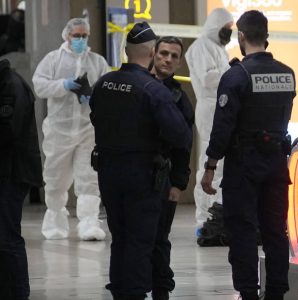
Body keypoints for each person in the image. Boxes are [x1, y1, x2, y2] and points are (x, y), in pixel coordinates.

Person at [89, 22, 192, 300]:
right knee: (140, 240)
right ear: (151, 52)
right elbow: (181, 135)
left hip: (109, 172)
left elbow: (95, 117)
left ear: (126, 50)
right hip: (142, 175)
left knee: (119, 238)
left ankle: (120, 293)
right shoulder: (153, 90)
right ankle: (134, 293)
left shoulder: (103, 83)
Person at [201, 10, 295, 300]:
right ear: (266, 36)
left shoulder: (236, 75)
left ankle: (248, 292)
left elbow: (223, 126)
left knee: (242, 230)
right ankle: (276, 291)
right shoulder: (286, 73)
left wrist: (210, 165)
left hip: (244, 165)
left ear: (241, 36)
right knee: (276, 232)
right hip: (277, 162)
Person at [32, 18, 110, 241]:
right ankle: (55, 222)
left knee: (89, 177)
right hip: (60, 130)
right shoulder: (52, 59)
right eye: (77, 36)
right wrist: (64, 85)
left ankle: (89, 224)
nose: (81, 39)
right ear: (67, 36)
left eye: (84, 36)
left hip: (88, 130)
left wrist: (94, 96)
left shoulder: (97, 61)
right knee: (56, 177)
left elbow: (107, 88)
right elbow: (39, 85)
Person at [150, 36, 194, 300]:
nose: (167, 59)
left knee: (160, 239)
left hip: (164, 178)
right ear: (153, 54)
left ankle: (161, 290)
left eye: (173, 56)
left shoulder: (178, 97)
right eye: (163, 53)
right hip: (134, 176)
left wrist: (178, 184)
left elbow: (184, 146)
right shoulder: (138, 86)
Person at [185, 7, 233, 237]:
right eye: (226, 28)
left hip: (219, 109)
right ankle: (205, 219)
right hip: (210, 109)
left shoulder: (218, 48)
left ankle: (217, 216)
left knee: (220, 165)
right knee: (209, 163)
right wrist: (231, 72)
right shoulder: (202, 46)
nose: (229, 32)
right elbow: (208, 78)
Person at [0, 58, 43, 300]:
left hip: (13, 174)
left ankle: (17, 293)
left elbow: (7, 132)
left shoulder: (11, 86)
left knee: (7, 237)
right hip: (6, 171)